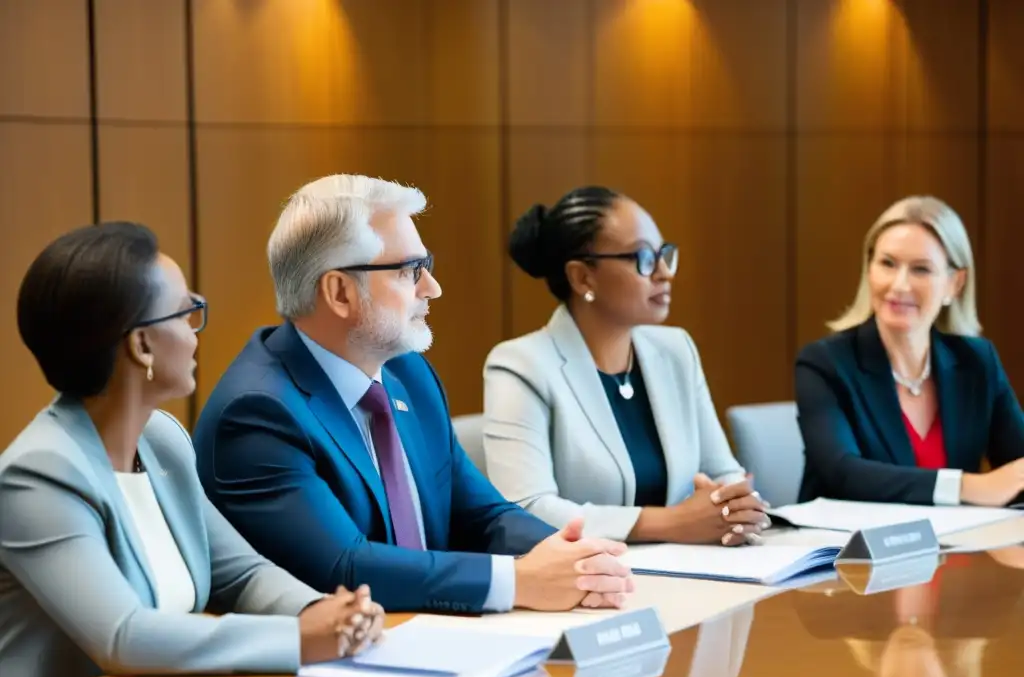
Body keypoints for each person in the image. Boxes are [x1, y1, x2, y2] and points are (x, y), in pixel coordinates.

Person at [192, 174, 634, 614]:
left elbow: (481, 515)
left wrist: (576, 557)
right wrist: (517, 582)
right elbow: (343, 567)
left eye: (427, 266)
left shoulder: (407, 372)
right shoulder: (256, 413)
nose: (431, 288)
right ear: (340, 292)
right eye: (409, 271)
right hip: (336, 664)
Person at [0, 222, 384, 677]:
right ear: (141, 346)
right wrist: (301, 641)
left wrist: (327, 612)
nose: (195, 329)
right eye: (187, 313)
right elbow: (124, 637)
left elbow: (241, 574)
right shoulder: (38, 477)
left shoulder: (162, 441)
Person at [482, 186, 769, 545]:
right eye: (644, 258)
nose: (664, 273)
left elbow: (723, 472)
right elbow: (526, 508)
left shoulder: (676, 350)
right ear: (583, 277)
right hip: (585, 582)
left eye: (665, 255)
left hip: (693, 573)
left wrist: (736, 508)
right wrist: (670, 523)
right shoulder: (520, 365)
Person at [795, 195, 1024, 506]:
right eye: (887, 264)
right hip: (849, 549)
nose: (899, 285)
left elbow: (1018, 464)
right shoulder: (825, 363)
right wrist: (966, 487)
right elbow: (843, 473)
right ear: (869, 269)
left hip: (957, 549)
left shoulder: (977, 361)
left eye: (921, 269)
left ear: (954, 285)